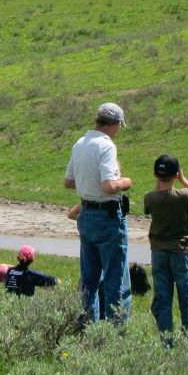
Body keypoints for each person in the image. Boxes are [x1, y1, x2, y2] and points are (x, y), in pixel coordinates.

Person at [64, 102, 133, 323]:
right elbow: (108, 186)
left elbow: (69, 182)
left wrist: (88, 184)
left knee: (89, 278)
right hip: (107, 216)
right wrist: (125, 182)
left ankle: (86, 326)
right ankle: (115, 331)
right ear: (114, 124)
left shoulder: (80, 143)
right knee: (115, 278)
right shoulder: (106, 146)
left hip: (86, 214)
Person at [143, 154, 188, 338]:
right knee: (187, 297)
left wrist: (159, 184)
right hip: (181, 252)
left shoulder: (149, 197)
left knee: (163, 299)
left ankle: (166, 339)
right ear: (176, 174)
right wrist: (183, 180)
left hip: (159, 253)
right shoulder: (183, 196)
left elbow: (152, 200)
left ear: (155, 174)